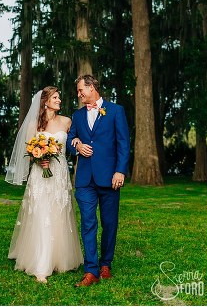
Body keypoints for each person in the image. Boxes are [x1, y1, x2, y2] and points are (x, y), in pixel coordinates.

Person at [6, 87, 83, 283]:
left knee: (59, 211)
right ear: (45, 102)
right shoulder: (34, 124)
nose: (59, 100)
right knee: (41, 213)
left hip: (60, 174)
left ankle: (60, 259)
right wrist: (39, 159)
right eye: (55, 97)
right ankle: (41, 264)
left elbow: (74, 142)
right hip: (41, 175)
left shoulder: (67, 121)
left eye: (59, 97)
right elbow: (29, 151)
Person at [67, 74, 130, 288]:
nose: (78, 94)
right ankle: (91, 270)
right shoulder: (77, 115)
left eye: (80, 90)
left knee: (109, 223)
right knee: (88, 222)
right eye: (77, 91)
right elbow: (69, 140)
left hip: (110, 178)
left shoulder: (115, 111)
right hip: (84, 180)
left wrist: (120, 171)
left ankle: (106, 264)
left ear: (92, 87)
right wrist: (76, 145)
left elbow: (123, 143)